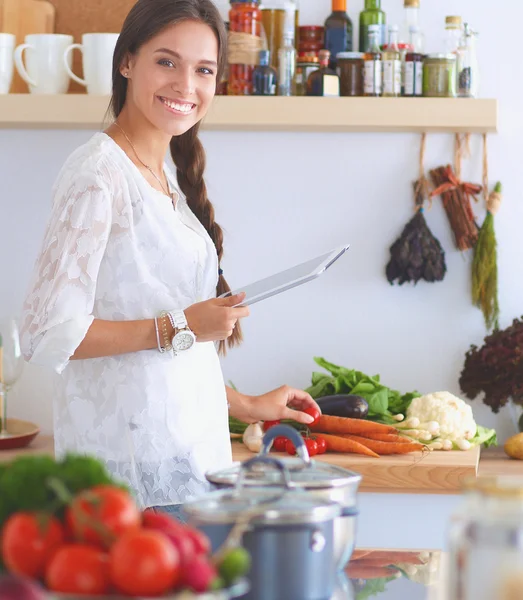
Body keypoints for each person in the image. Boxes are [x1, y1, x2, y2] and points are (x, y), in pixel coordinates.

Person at [20, 0, 319, 518]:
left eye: (204, 69)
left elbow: (164, 359)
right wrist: (180, 325)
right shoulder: (99, 174)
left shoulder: (162, 179)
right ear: (127, 61)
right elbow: (47, 333)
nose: (186, 84)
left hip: (188, 470)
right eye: (167, 61)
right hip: (129, 488)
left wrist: (245, 405)